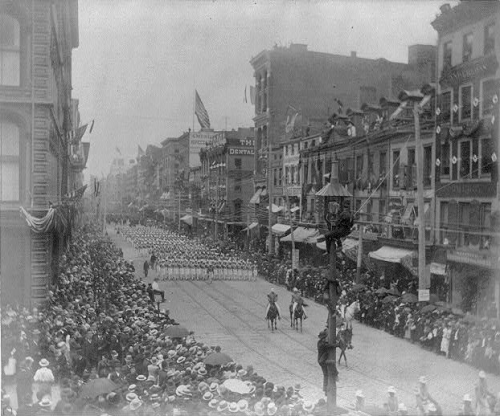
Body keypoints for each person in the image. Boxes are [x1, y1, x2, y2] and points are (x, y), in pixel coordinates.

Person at [317, 328, 336, 394]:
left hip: (321, 360)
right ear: (323, 338)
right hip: (322, 361)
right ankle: (326, 389)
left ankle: (325, 389)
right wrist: (336, 345)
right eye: (324, 337)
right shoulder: (322, 344)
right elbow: (328, 346)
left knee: (326, 374)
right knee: (326, 374)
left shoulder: (320, 342)